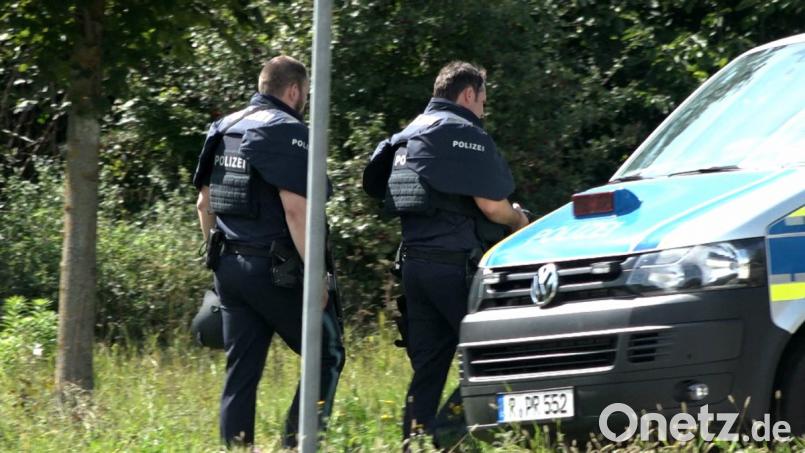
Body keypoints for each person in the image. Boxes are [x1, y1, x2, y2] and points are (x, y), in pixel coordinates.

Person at [362, 61, 530, 446]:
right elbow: (491, 205)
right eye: (483, 102)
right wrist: (518, 220)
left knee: (430, 367)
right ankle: (447, 434)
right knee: (497, 354)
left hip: (414, 268)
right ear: (468, 94)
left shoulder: (406, 135)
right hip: (453, 266)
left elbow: (377, 186)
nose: (484, 112)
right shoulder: (461, 131)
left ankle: (413, 442)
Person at [192, 55, 344, 449]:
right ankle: (299, 443)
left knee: (241, 371)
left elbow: (203, 204)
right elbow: (296, 210)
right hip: (273, 271)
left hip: (229, 269)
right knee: (327, 353)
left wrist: (216, 259)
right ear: (294, 91)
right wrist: (316, 277)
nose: (305, 100)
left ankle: (237, 447)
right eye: (305, 93)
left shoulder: (226, 127)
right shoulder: (287, 130)